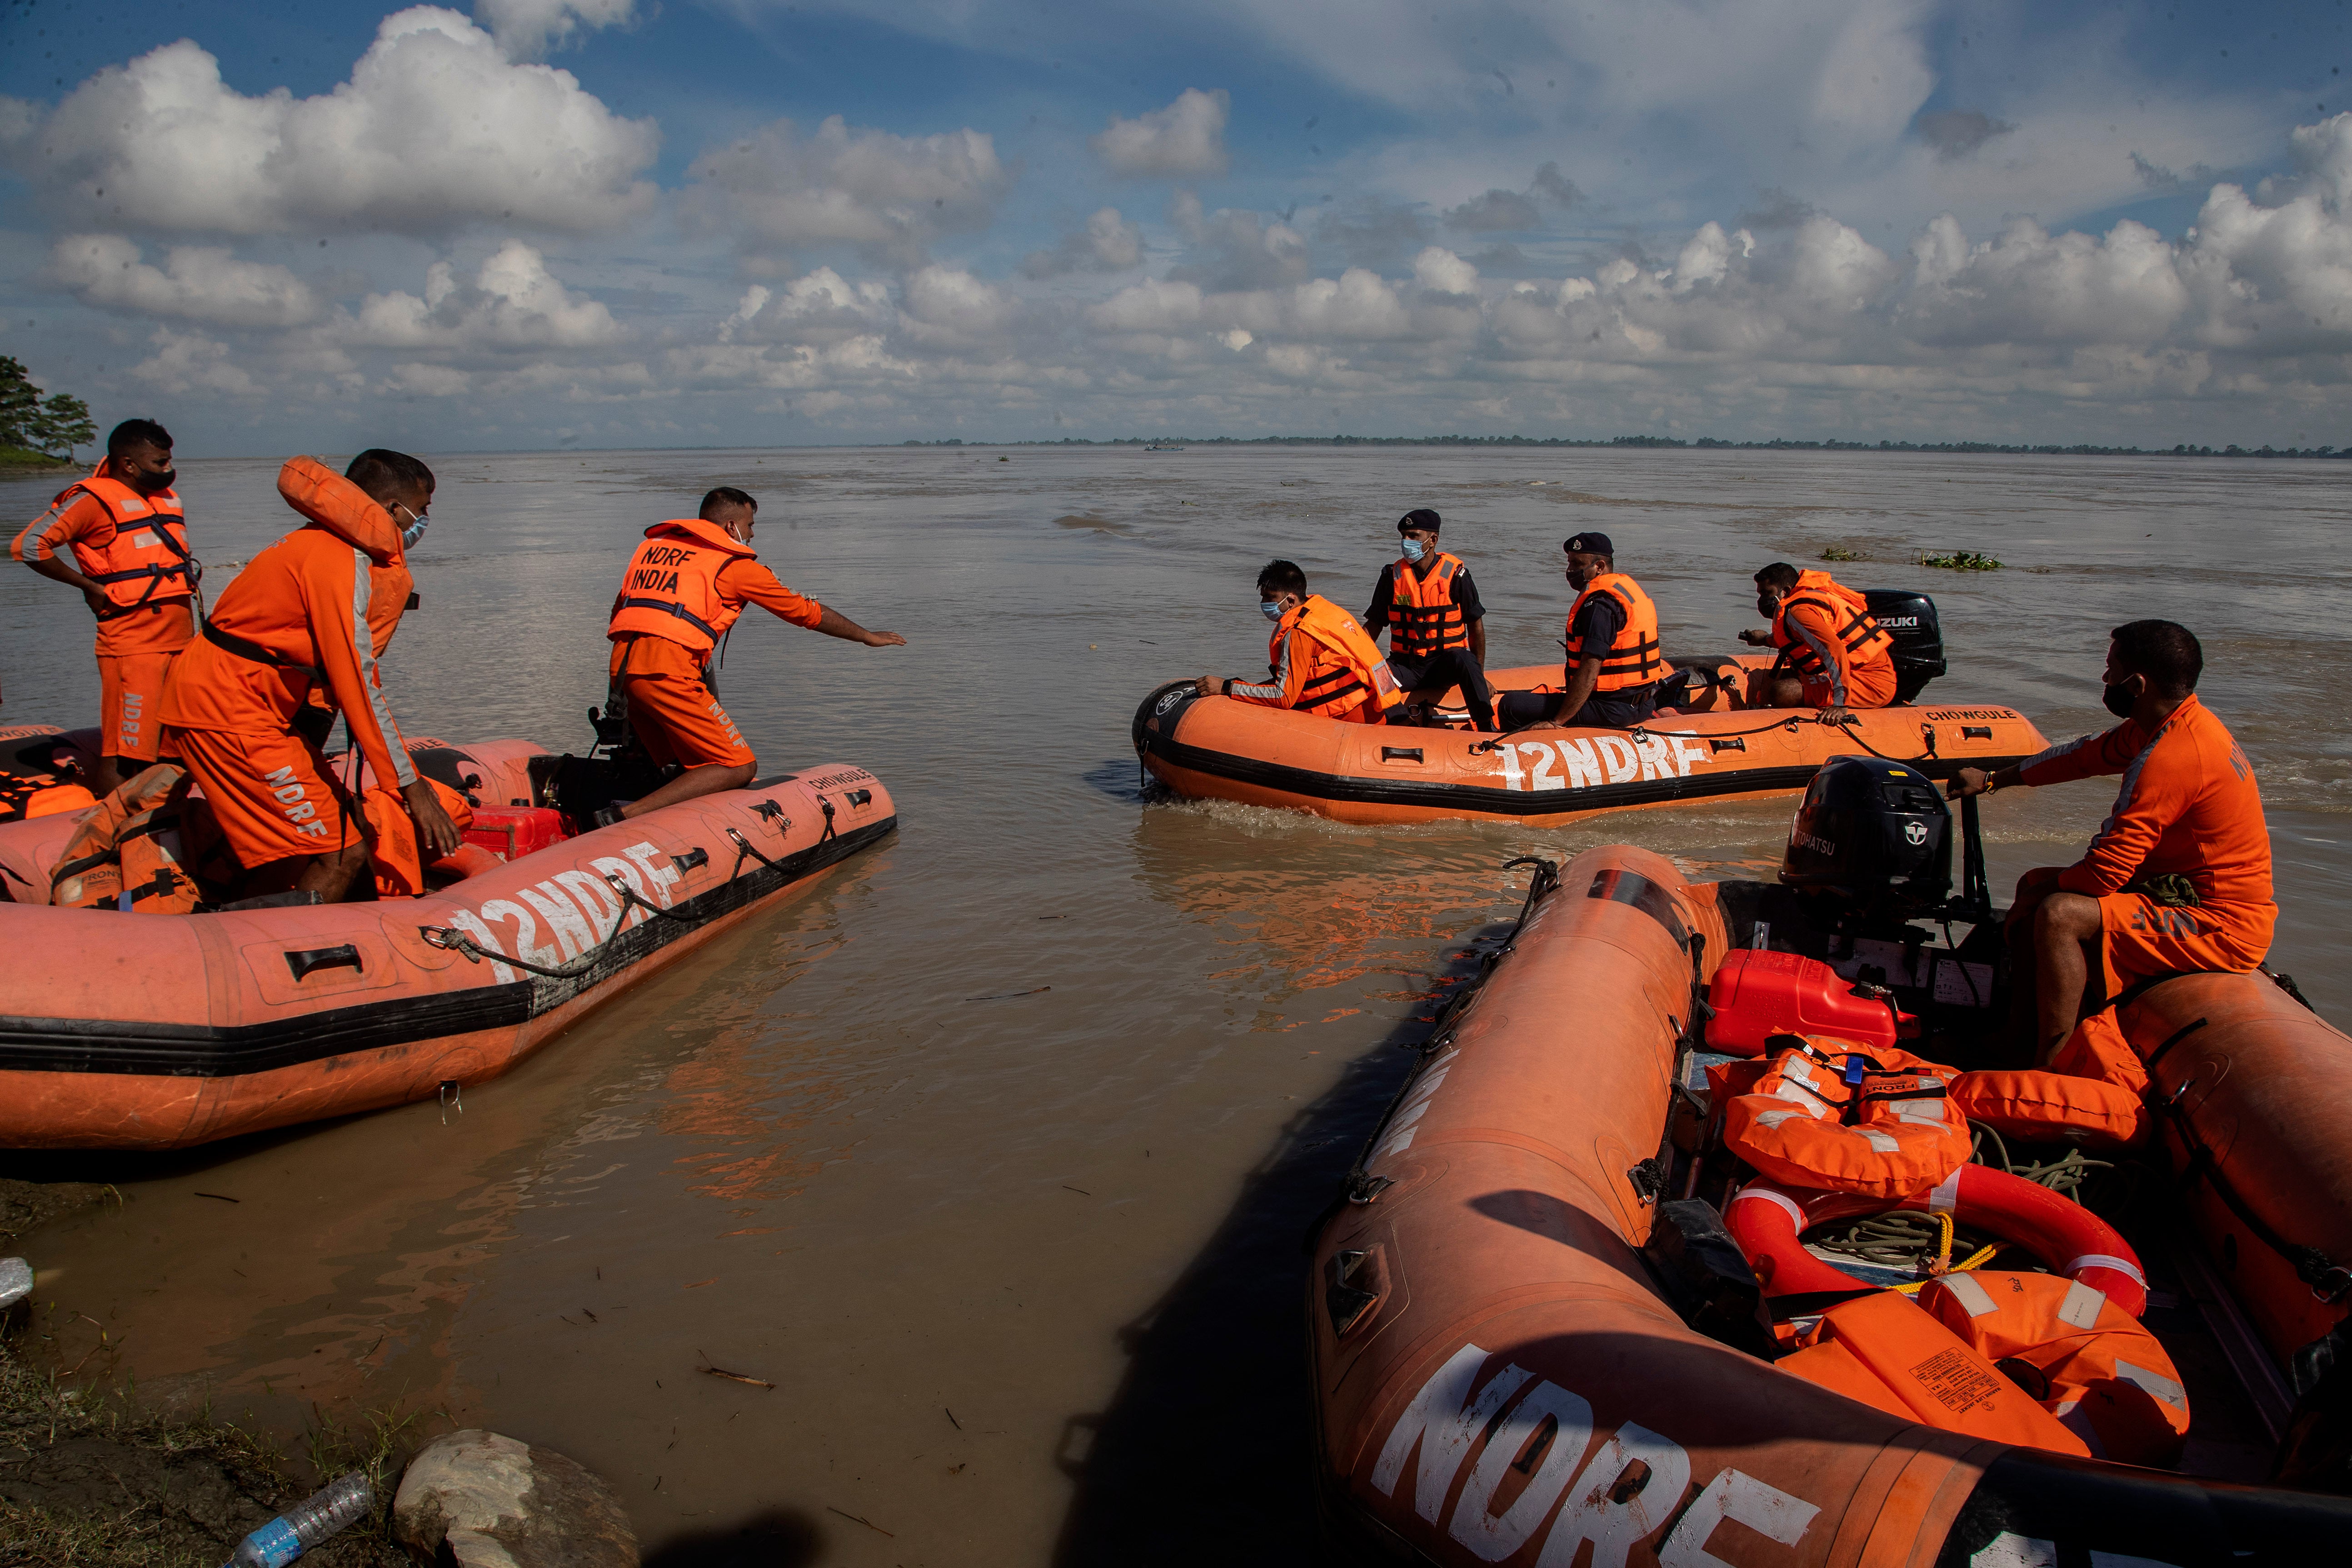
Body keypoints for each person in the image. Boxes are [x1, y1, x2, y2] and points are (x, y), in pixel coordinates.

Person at [1948, 620, 2274, 1065]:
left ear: (2136, 684)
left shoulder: (2172, 757)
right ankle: (2017, 1037)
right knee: (2033, 885)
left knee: (2059, 913)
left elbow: (2106, 873)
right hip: (2179, 893)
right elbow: (2081, 757)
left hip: (2222, 925)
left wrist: (2054, 889)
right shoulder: (2162, 726)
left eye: (2110, 670)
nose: (2105, 680)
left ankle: (2054, 1062)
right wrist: (1991, 781)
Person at [158, 449, 458, 904]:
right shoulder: (339, 560)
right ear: (395, 509)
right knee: (343, 851)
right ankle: (282, 960)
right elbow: (356, 680)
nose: (425, 518)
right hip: (228, 708)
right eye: (425, 507)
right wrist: (410, 787)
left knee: (350, 823)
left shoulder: (319, 542)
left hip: (246, 702)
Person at [602, 487, 904, 824]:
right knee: (738, 765)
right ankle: (624, 816)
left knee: (682, 765)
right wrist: (866, 636)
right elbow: (805, 613)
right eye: (750, 525)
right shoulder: (733, 565)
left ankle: (671, 820)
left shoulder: (654, 552)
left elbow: (625, 611)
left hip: (625, 673)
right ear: (731, 527)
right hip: (669, 673)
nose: (752, 533)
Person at [10, 418, 196, 796]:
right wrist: (88, 586)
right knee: (127, 754)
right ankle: (110, 830)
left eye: (169, 460)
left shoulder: (161, 498)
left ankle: (170, 823)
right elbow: (30, 546)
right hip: (132, 646)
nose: (169, 470)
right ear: (128, 464)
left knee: (175, 745)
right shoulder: (93, 500)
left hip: (181, 640)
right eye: (160, 462)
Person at [1198, 559, 1403, 724]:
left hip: (1348, 720)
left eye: (1270, 598)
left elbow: (1283, 697)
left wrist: (1227, 687)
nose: (1264, 604)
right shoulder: (1324, 612)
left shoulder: (1297, 633)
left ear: (1291, 600)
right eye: (1262, 598)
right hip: (1374, 707)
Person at [1499, 532, 1664, 731]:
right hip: (1643, 705)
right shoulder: (1626, 592)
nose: (1571, 571)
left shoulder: (1599, 606)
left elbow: (1589, 671)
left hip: (1613, 709)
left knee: (1511, 705)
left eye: (1577, 564)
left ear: (1599, 567)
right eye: (1570, 563)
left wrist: (1558, 721)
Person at [1362, 508, 1497, 730]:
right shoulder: (1391, 577)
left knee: (1464, 658)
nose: (1406, 541)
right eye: (1403, 536)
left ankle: (1486, 726)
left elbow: (1476, 626)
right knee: (1374, 674)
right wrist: (1354, 656)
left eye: (1414, 536)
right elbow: (1374, 626)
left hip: (1444, 665)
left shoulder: (1457, 576)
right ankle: (1402, 723)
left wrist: (1479, 678)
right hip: (1406, 665)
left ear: (1433, 540)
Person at [1741, 562, 1896, 717]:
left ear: (1786, 591)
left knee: (1781, 691)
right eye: (1760, 594)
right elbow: (1799, 640)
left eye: (1767, 593)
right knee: (1787, 677)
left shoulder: (1799, 612)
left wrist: (1840, 704)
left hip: (1870, 683)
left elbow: (1834, 649)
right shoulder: (1803, 599)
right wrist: (1764, 640)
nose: (1762, 600)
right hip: (1855, 672)